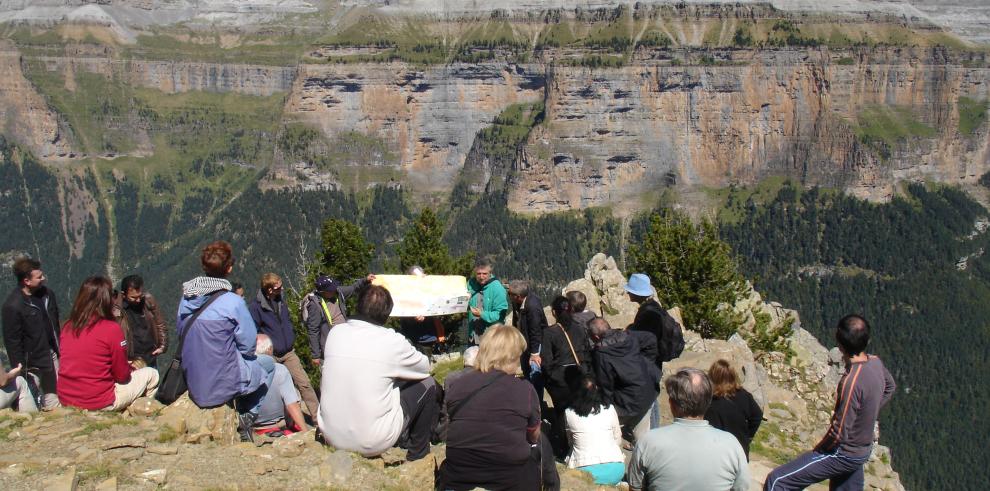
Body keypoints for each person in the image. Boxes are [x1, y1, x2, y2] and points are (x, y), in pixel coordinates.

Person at [764, 315, 896, 491]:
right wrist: (868, 412)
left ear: (840, 344)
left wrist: (819, 450)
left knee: (778, 481)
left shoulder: (851, 382)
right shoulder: (875, 362)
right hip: (862, 450)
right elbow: (890, 386)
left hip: (843, 452)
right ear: (867, 340)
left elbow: (839, 432)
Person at [318, 285, 439, 461]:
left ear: (358, 305)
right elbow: (423, 367)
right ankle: (418, 456)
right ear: (387, 313)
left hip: (330, 434)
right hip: (371, 441)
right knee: (428, 385)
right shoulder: (391, 340)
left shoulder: (335, 332)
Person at [177, 240, 275, 442]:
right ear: (229, 269)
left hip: (194, 379)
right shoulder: (233, 302)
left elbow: (181, 332)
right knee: (269, 366)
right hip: (221, 382)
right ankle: (246, 418)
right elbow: (248, 345)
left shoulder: (186, 299)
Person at [437, 324, 550, 491]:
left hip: (459, 475)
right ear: (511, 356)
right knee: (541, 446)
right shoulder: (524, 389)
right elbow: (533, 435)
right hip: (508, 477)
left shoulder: (457, 384)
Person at [627, 368, 750, 491]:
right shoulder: (731, 445)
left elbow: (635, 487)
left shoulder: (648, 441)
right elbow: (741, 487)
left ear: (671, 404)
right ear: (708, 402)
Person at [56, 276, 160, 411]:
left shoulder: (68, 326)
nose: (114, 299)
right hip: (97, 401)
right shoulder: (110, 329)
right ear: (105, 300)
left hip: (66, 399)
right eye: (112, 295)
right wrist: (134, 368)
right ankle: (138, 415)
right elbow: (122, 376)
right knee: (152, 374)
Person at [249, 272, 319, 419]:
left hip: (288, 352)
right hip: (270, 354)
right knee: (275, 388)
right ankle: (278, 419)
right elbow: (253, 332)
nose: (282, 289)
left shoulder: (281, 301)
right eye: (278, 287)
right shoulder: (256, 307)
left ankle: (318, 417)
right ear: (269, 290)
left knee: (304, 383)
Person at [587, 317, 658, 446]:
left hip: (628, 400)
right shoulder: (628, 336)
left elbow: (605, 384)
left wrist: (606, 406)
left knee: (609, 427)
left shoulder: (602, 353)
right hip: (647, 390)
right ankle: (646, 456)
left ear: (596, 337)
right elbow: (651, 338)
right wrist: (648, 364)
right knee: (643, 436)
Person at [2, 257, 61, 410]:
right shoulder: (13, 306)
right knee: (32, 399)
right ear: (27, 281)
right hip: (32, 363)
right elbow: (12, 340)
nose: (43, 278)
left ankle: (54, 414)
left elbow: (55, 323)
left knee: (54, 395)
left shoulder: (47, 295)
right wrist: (20, 368)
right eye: (39, 277)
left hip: (51, 353)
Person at [625, 273, 682, 428]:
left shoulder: (647, 314)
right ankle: (652, 428)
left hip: (649, 360)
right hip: (655, 358)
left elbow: (643, 338)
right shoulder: (653, 308)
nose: (628, 293)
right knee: (652, 394)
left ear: (636, 293)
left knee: (648, 396)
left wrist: (629, 332)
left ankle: (651, 430)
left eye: (630, 290)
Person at [542, 295, 591, 455]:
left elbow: (546, 361)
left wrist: (550, 377)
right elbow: (586, 353)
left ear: (554, 312)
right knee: (579, 409)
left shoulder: (550, 332)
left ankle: (563, 447)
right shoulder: (580, 328)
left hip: (560, 379)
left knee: (561, 412)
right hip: (579, 375)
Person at [303, 273, 373, 367]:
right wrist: (315, 355)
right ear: (323, 291)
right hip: (331, 343)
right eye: (331, 289)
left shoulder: (338, 292)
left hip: (346, 338)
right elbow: (313, 330)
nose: (334, 289)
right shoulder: (315, 305)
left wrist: (366, 280)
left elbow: (353, 288)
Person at [564, 376, 624, 485]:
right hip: (615, 469)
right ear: (596, 389)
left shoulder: (569, 413)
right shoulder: (609, 409)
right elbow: (617, 438)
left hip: (584, 473)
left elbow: (571, 442)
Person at [705, 359, 763, 459]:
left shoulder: (712, 402)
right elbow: (757, 415)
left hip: (721, 454)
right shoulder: (744, 395)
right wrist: (748, 435)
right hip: (741, 449)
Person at [254, 334, 309, 436]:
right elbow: (292, 405)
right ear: (270, 349)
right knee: (294, 394)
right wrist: (306, 432)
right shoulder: (279, 369)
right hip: (276, 425)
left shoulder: (244, 371)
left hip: (253, 425)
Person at [112, 275, 168, 368]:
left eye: (140, 296)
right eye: (133, 297)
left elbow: (160, 323)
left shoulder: (148, 300)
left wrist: (163, 346)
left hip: (150, 356)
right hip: (131, 361)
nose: (138, 300)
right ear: (123, 294)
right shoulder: (116, 310)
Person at [507, 280, 546, 398]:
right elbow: (516, 319)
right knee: (526, 370)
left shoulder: (533, 307)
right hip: (523, 340)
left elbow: (536, 331)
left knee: (535, 372)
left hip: (535, 344)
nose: (508, 296)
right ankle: (529, 398)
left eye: (509, 294)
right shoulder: (517, 302)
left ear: (517, 296)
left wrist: (534, 354)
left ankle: (537, 402)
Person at [399, 266, 446, 356]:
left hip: (427, 337)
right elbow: (401, 311)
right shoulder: (403, 291)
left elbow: (438, 306)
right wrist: (412, 319)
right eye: (415, 277)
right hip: (411, 337)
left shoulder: (430, 290)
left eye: (421, 277)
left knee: (425, 365)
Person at [466, 258, 508, 344]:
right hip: (473, 335)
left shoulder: (497, 288)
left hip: (491, 336)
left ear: (490, 273)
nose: (481, 277)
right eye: (478, 274)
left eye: (485, 274)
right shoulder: (471, 283)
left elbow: (500, 315)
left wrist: (482, 314)